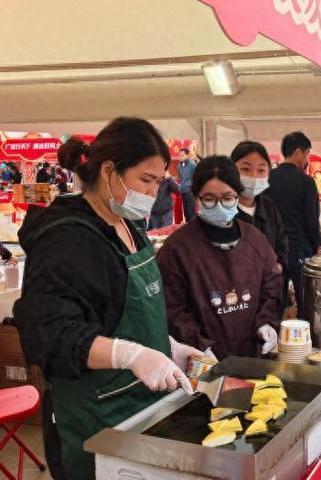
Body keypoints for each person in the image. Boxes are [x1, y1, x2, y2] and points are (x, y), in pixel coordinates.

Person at [13, 118, 201, 480]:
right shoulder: (66, 240)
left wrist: (166, 345)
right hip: (97, 422)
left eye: (158, 182)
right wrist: (131, 355)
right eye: (145, 180)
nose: (153, 193)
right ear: (109, 170)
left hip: (144, 411)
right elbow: (48, 334)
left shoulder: (129, 226)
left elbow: (118, 312)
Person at [157, 156, 282, 359]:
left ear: (238, 196)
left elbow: (272, 285)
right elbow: (170, 307)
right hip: (203, 360)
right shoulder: (178, 248)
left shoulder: (255, 240)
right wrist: (198, 344)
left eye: (227, 198)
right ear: (197, 197)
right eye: (209, 199)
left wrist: (266, 322)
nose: (219, 205)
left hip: (252, 356)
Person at [268, 131, 320, 315]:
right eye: (307, 154)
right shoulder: (306, 182)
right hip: (300, 248)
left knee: (276, 301)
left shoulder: (268, 179)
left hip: (273, 250)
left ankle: (277, 331)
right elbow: (312, 220)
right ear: (298, 152)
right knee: (306, 302)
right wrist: (315, 246)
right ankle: (306, 332)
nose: (307, 160)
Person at [231, 140, 288, 272]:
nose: (254, 176)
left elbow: (282, 245)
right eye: (245, 169)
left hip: (269, 281)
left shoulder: (269, 206)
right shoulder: (224, 210)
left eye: (261, 170)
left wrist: (279, 267)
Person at [177, 148, 197, 222]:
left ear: (187, 155)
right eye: (179, 155)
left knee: (191, 212)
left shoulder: (193, 165)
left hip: (190, 191)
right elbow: (181, 178)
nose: (180, 157)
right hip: (183, 191)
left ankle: (194, 227)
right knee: (186, 213)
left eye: (182, 155)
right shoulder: (179, 166)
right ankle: (187, 226)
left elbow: (196, 178)